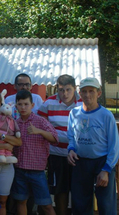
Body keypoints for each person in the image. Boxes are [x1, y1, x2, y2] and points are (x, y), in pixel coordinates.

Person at [67, 77, 119, 215]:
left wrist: (107, 169)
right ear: (79, 93)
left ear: (99, 93)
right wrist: (71, 149)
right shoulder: (74, 113)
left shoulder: (106, 115)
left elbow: (114, 145)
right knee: (80, 204)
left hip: (102, 163)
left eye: (91, 91)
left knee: (106, 205)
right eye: (84, 91)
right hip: (80, 162)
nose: (87, 95)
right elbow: (71, 136)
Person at [37, 74, 83, 215]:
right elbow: (40, 126)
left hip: (78, 155)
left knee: (79, 190)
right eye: (61, 90)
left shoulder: (83, 104)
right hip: (56, 154)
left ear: (75, 88)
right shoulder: (48, 103)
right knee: (60, 190)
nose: (65, 93)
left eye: (68, 89)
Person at [11, 90, 58, 215]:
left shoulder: (40, 121)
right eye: (20, 104)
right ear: (16, 106)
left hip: (37, 171)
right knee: (21, 201)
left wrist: (39, 131)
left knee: (46, 204)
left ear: (32, 105)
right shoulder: (15, 123)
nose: (23, 107)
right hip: (20, 169)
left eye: (26, 104)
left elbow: (55, 138)